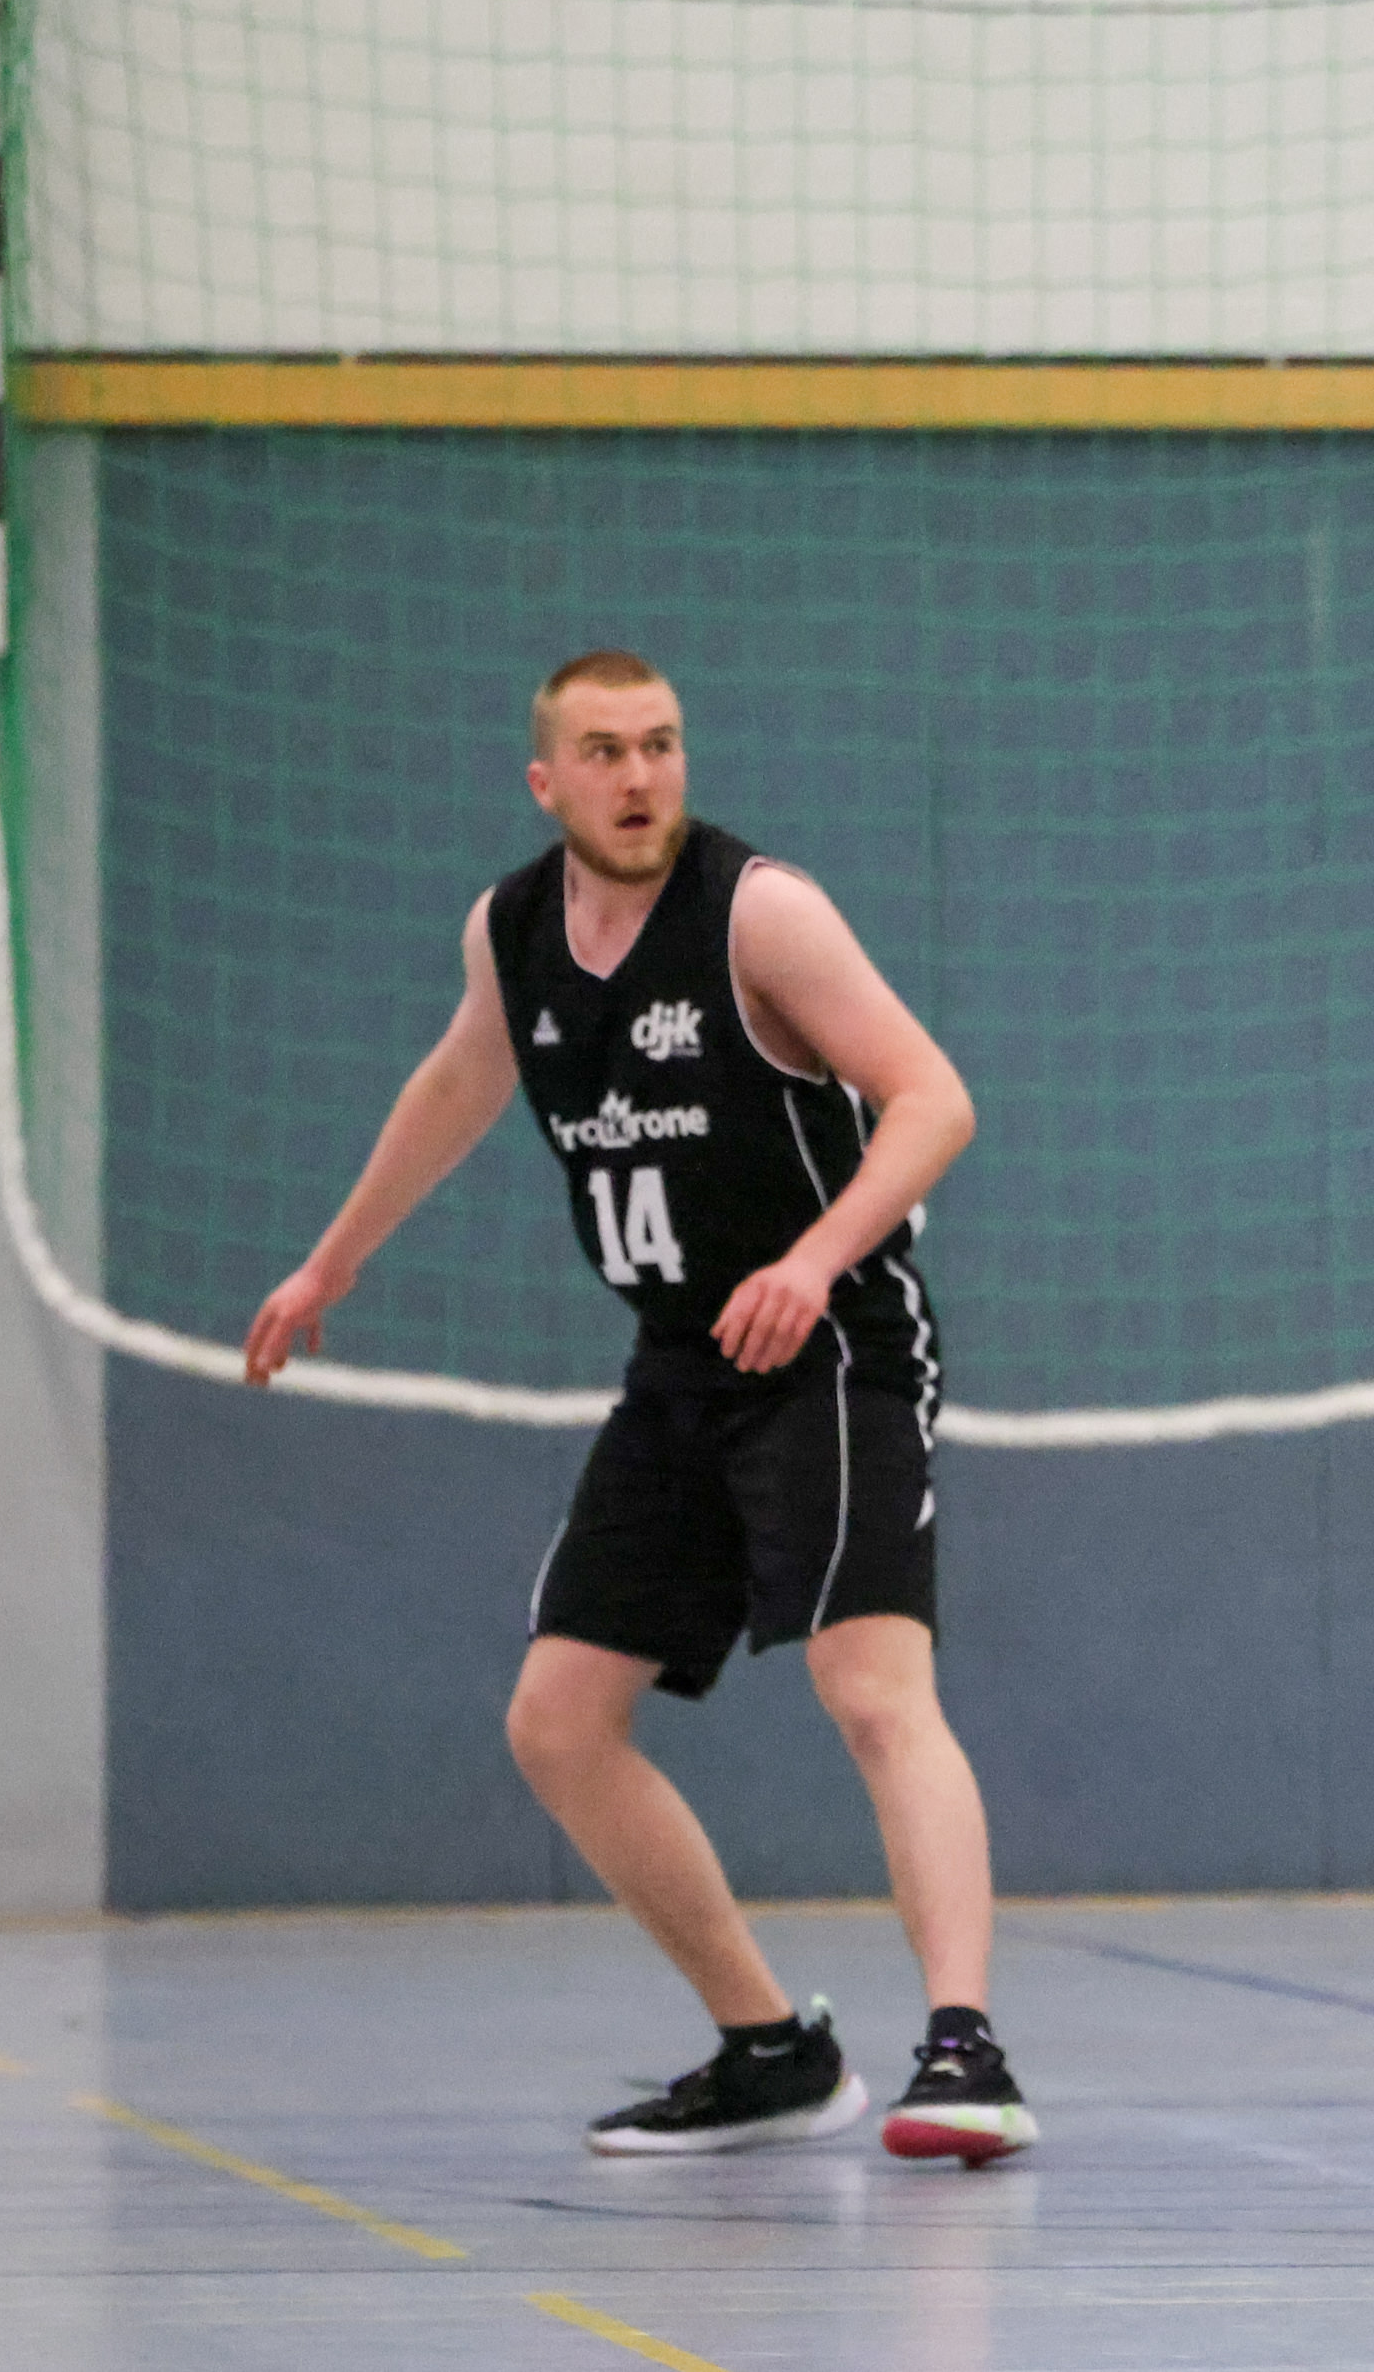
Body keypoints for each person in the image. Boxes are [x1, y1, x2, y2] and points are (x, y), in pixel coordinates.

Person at [243, 652, 1031, 2165]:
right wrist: (331, 1262)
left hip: (833, 1342)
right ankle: (770, 2049)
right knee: (557, 1722)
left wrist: (811, 1259)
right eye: (604, 751)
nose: (639, 776)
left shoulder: (759, 912)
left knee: (872, 1686)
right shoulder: (512, 928)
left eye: (660, 745)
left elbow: (934, 1098)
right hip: (682, 1358)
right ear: (547, 781)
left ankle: (965, 2047)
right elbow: (459, 1082)